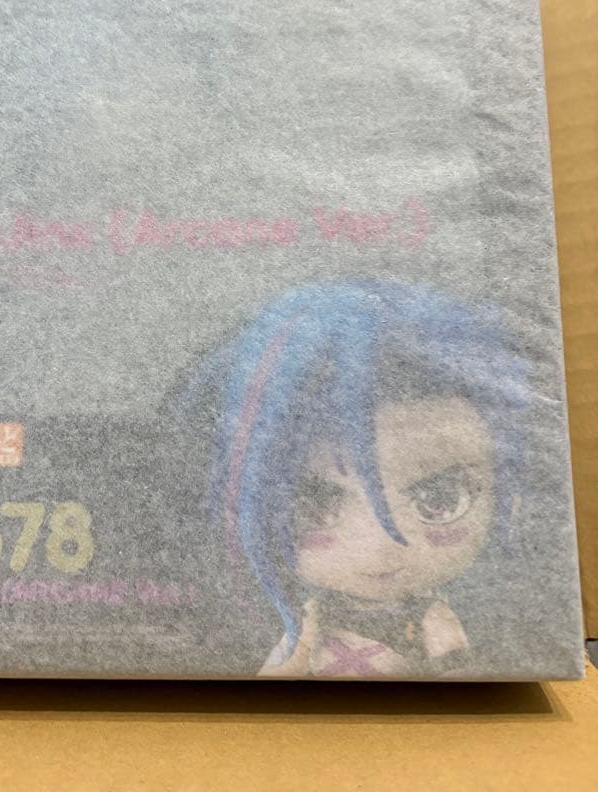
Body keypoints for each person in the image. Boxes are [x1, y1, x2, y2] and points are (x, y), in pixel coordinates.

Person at [202, 281, 528, 677]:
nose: (379, 549)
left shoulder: (430, 616)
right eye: (316, 505)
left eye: (439, 499)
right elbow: (287, 665)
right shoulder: (311, 616)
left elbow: (455, 668)